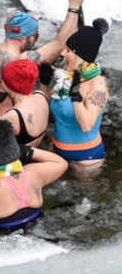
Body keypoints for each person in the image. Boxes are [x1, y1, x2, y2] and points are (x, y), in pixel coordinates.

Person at [0, 0, 85, 118]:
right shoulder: (23, 61)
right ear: (23, 38)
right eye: (35, 36)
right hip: (9, 120)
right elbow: (61, 43)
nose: (36, 40)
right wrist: (74, 5)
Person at [47, 24, 109, 178]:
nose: (62, 53)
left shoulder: (97, 85)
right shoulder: (68, 77)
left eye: (68, 50)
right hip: (57, 150)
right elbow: (54, 111)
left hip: (86, 159)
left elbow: (87, 125)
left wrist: (76, 96)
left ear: (81, 56)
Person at [0, 59, 48, 148]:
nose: (1, 82)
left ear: (11, 87)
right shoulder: (41, 95)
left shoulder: (13, 116)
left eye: (3, 79)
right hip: (35, 147)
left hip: (19, 158)